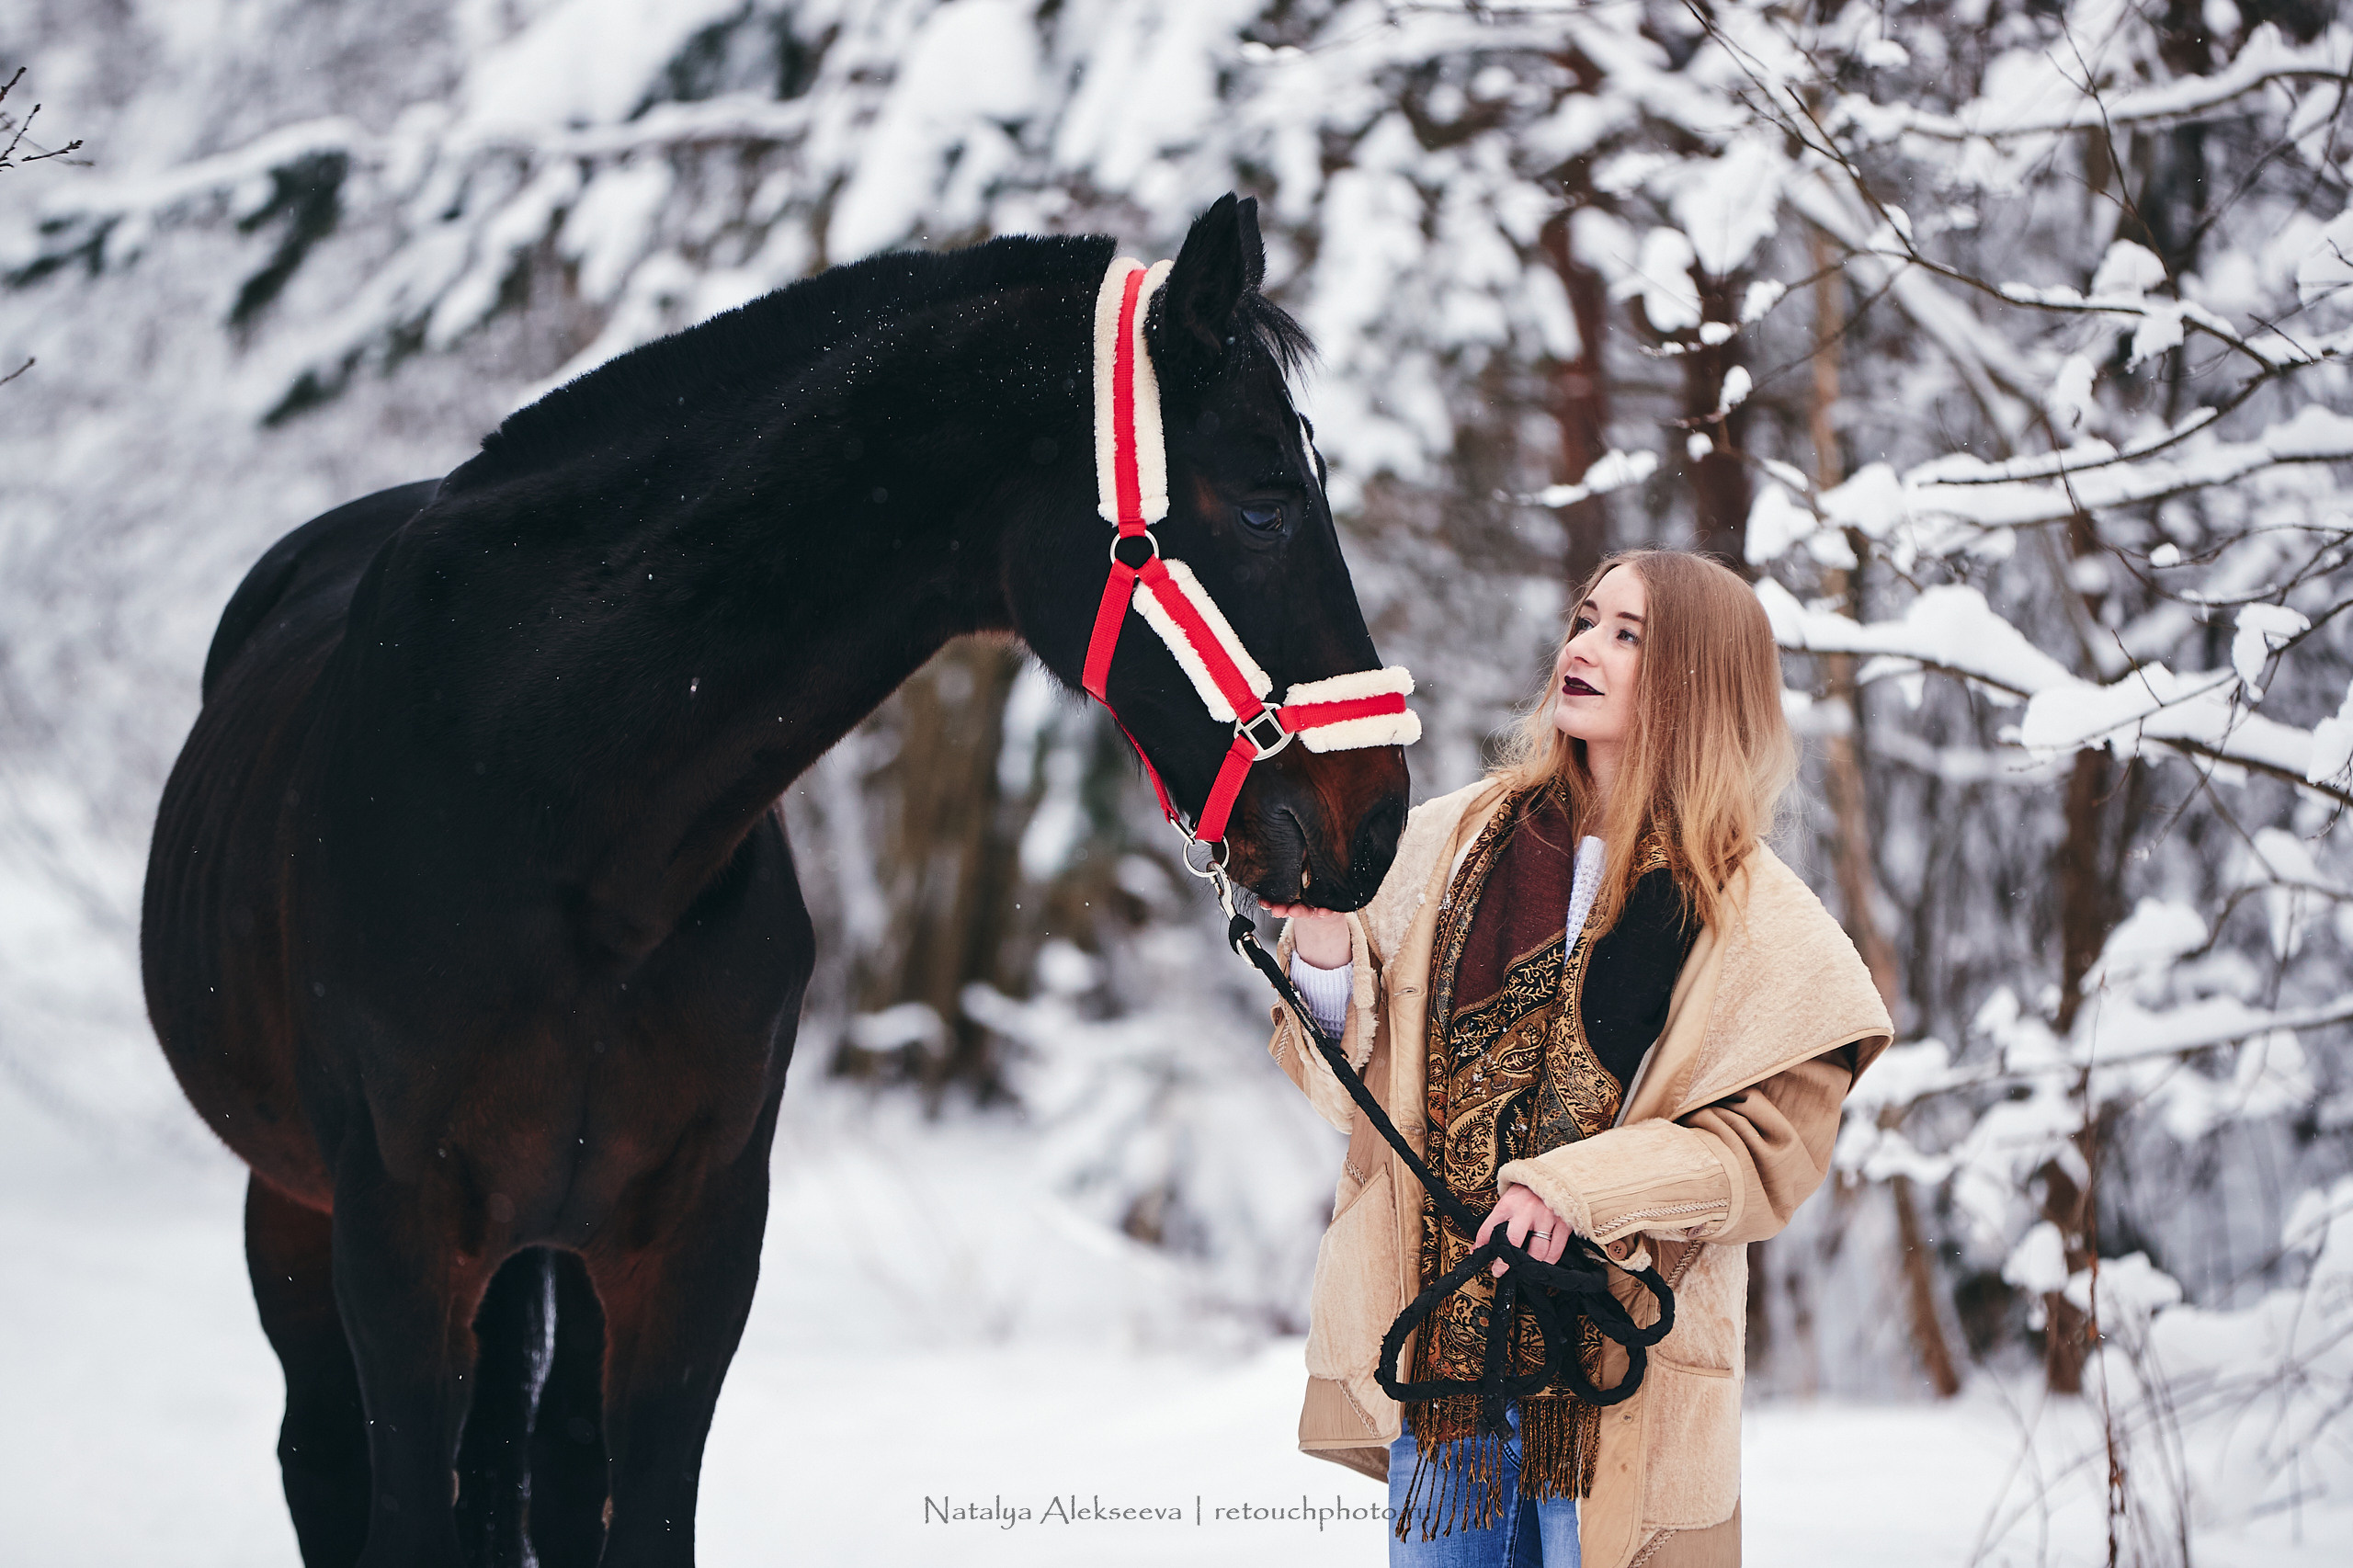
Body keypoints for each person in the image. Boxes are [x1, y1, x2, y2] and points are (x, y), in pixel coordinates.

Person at [1261, 550, 1892, 1568]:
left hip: (1615, 1392)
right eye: (1586, 618)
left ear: (1698, 677)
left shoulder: (1755, 914)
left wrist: (1571, 1189)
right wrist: (1327, 936)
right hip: (1445, 1387)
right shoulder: (1454, 838)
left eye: (1627, 633)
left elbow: (1764, 1158)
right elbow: (1346, 1088)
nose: (1583, 647)